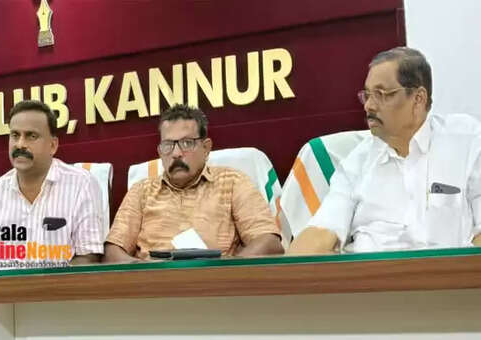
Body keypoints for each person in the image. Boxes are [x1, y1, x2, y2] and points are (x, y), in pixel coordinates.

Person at [289, 47, 481, 254]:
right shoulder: (358, 161)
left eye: (381, 94)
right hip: (374, 272)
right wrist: (298, 258)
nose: (368, 106)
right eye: (367, 95)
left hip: (449, 272)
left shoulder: (466, 142)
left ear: (418, 99)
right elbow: (322, 230)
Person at [104, 104, 283, 262]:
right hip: (153, 283)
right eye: (168, 145)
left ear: (206, 148)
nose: (176, 153)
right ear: (159, 151)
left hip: (217, 284)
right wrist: (141, 271)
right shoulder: (141, 191)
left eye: (186, 143)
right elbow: (113, 251)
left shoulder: (233, 182)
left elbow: (268, 241)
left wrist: (226, 272)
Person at [0, 100, 104, 267]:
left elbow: (89, 257)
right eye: (15, 135)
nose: (20, 144)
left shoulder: (82, 185)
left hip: (62, 283)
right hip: (3, 284)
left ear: (52, 145)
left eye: (31, 136)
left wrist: (46, 283)